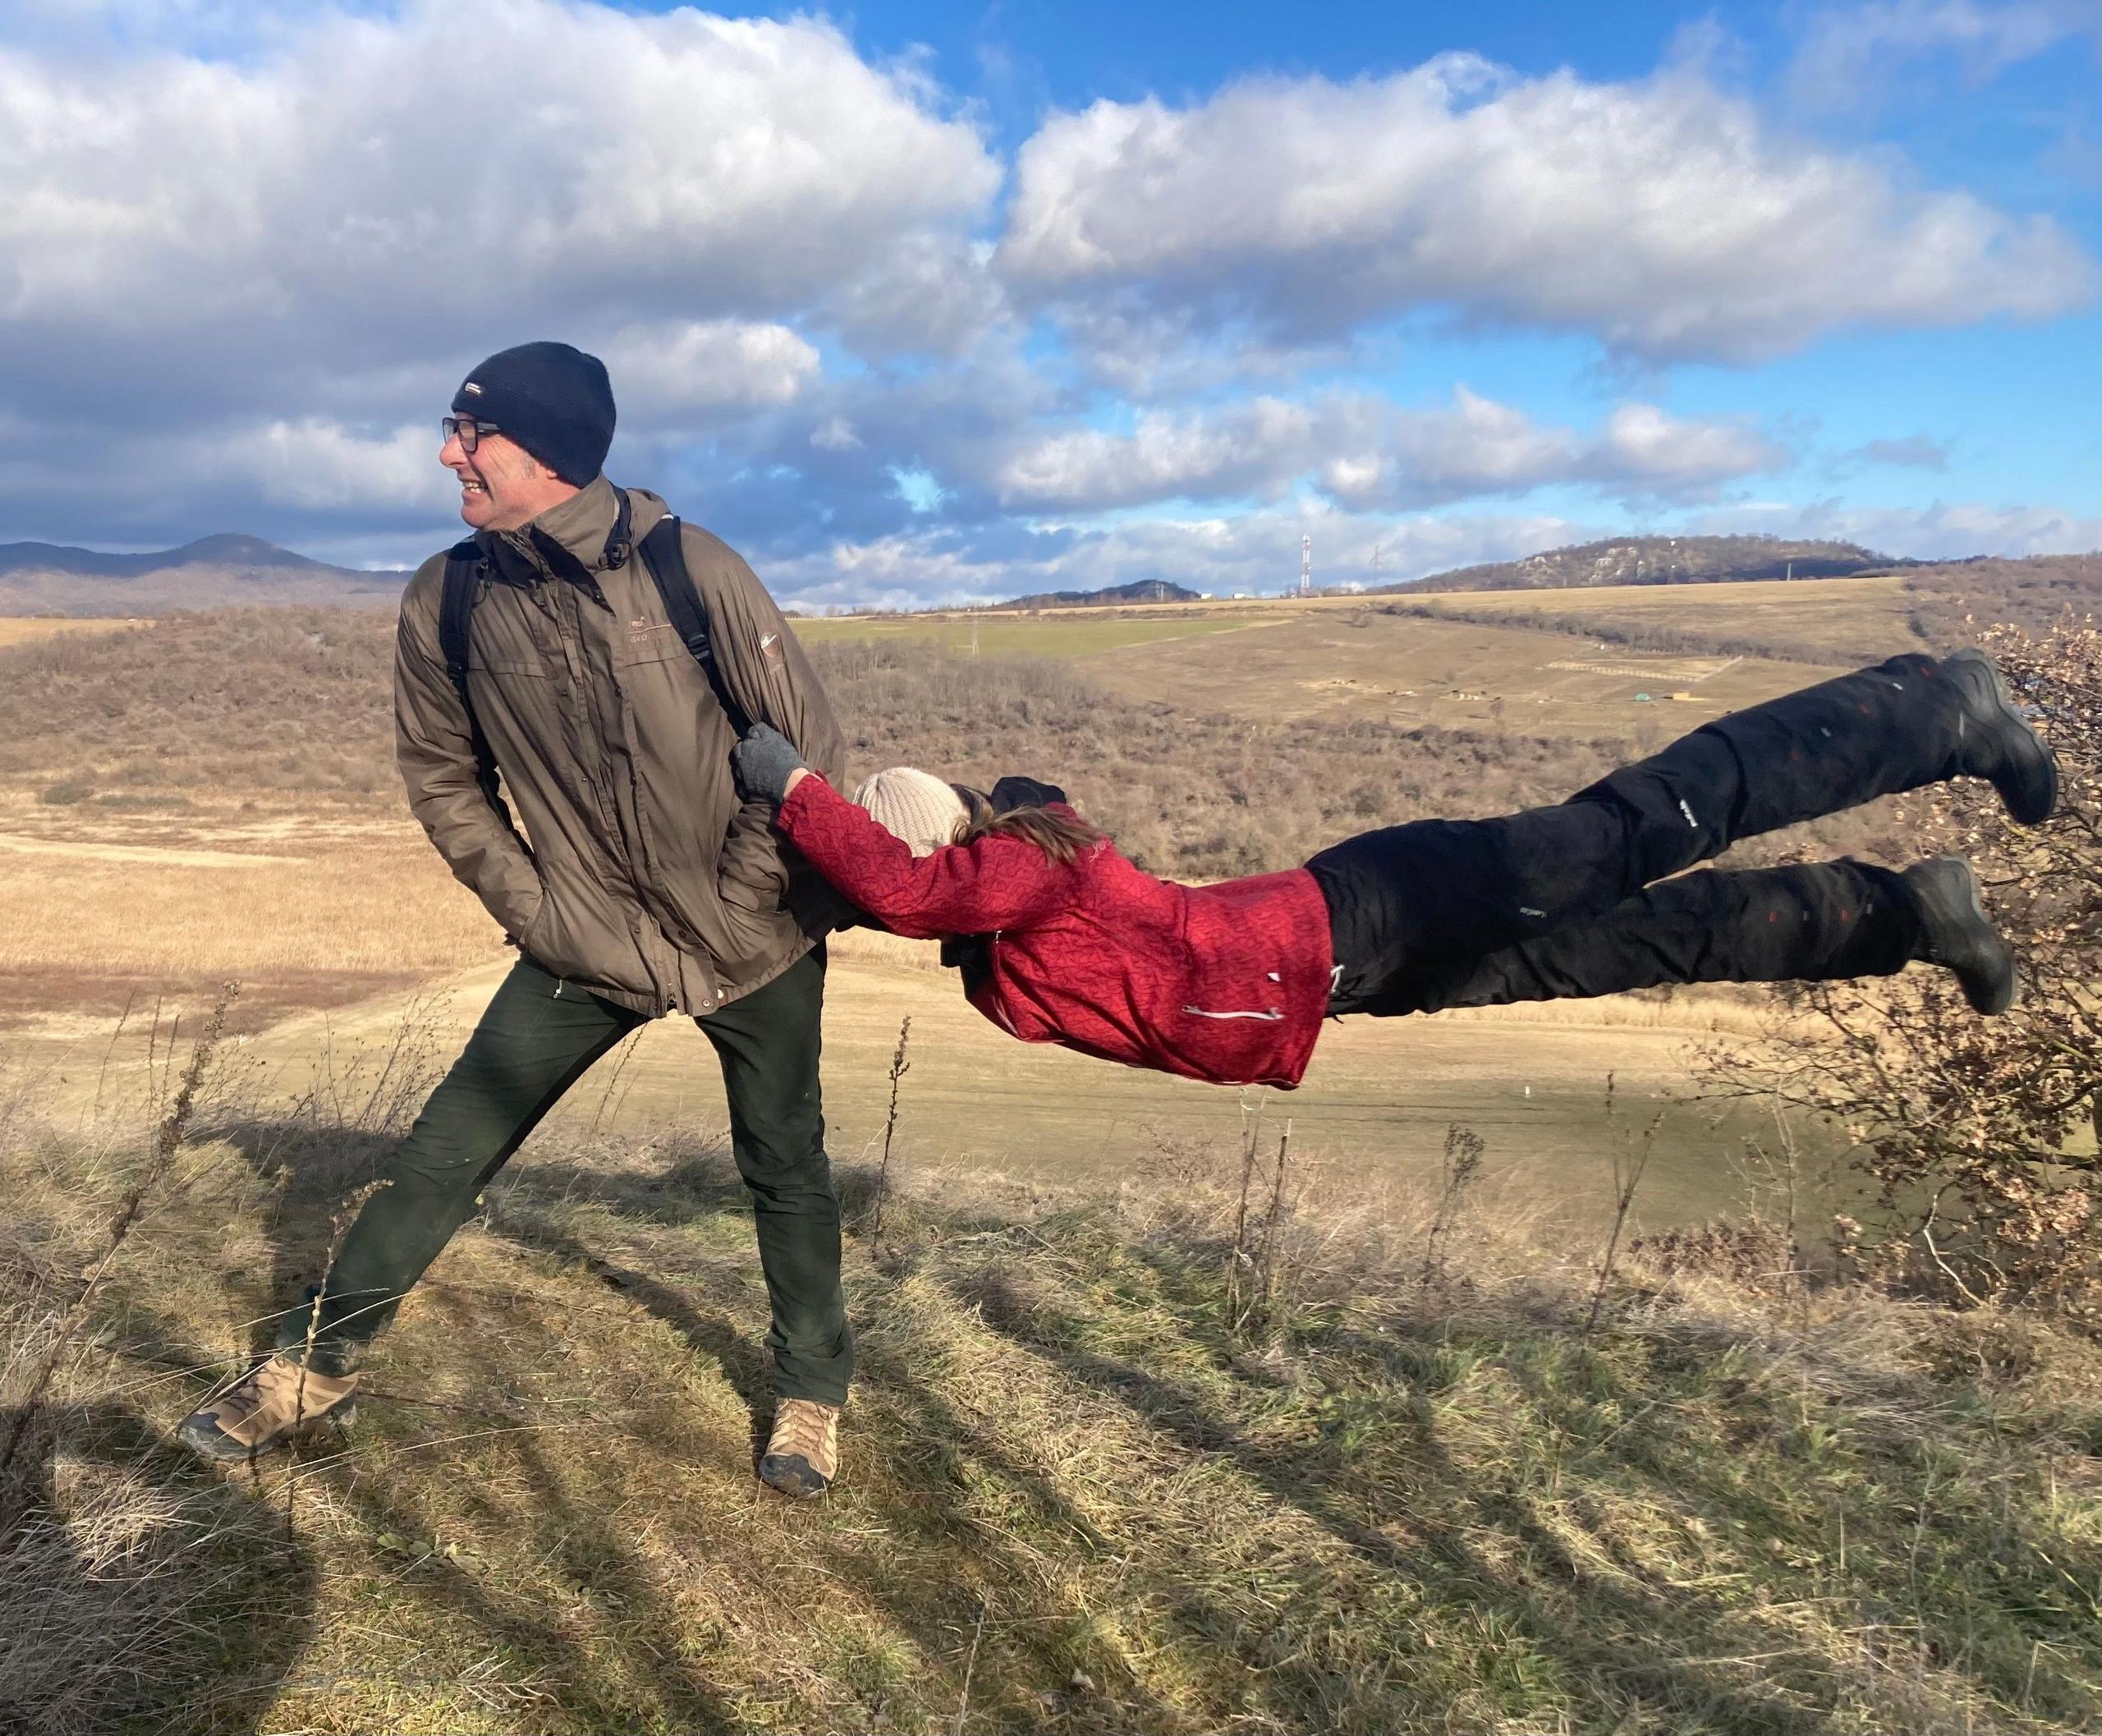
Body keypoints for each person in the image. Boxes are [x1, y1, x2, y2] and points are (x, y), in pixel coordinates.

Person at [181, 342, 854, 1497]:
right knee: (444, 1151)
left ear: (542, 451)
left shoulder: (694, 569)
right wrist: (538, 907)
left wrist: (745, 896)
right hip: (579, 938)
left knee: (784, 1160)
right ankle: (309, 1367)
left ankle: (810, 1394)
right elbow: (444, 777)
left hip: (758, 934)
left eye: (468, 432)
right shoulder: (447, 599)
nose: (449, 454)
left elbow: (804, 758)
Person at [728, 650, 2055, 1091]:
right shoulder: (1001, 951)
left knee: (1661, 816)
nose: (880, 915)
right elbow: (910, 903)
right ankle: (1909, 914)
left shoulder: (1022, 864)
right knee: (1653, 942)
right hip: (1357, 979)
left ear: (950, 840)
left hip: (1379, 901)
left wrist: (790, 787)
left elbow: (906, 888)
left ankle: (1935, 708)